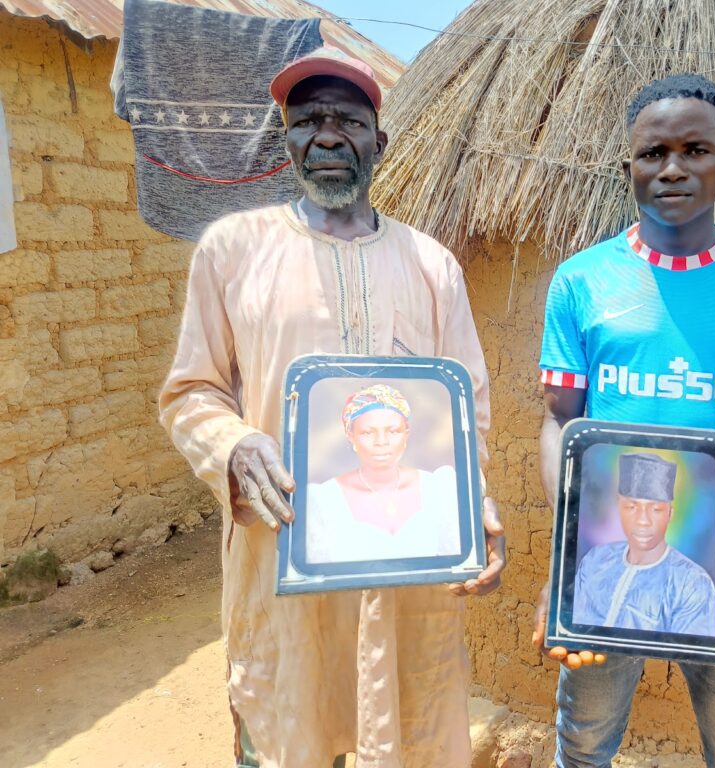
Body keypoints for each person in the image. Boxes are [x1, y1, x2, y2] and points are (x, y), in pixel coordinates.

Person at [159, 47, 505, 768]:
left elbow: (464, 408)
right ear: (283, 140)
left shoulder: (432, 265)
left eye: (346, 120)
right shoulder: (232, 251)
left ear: (379, 141)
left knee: (405, 731)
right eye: (305, 120)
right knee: (288, 734)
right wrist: (231, 445)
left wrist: (472, 508)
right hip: (286, 565)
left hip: (406, 572)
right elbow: (192, 391)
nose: (325, 136)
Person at [533, 73, 715, 768]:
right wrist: (568, 554)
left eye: (696, 150)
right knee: (581, 746)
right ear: (628, 167)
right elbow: (559, 425)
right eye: (653, 153)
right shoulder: (583, 282)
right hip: (602, 577)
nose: (673, 168)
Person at [305, 384, 460, 563]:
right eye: (367, 432)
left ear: (406, 435)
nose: (381, 442)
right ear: (351, 436)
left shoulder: (439, 488)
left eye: (393, 431)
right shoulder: (323, 499)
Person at [573, 452, 715, 635]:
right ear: (618, 507)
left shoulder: (692, 582)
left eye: (655, 509)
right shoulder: (595, 560)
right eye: (631, 507)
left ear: (670, 513)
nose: (643, 520)